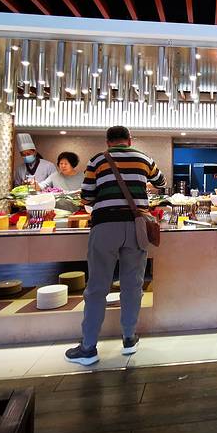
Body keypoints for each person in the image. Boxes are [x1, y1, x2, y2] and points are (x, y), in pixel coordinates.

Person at [65, 126, 166, 366]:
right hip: (136, 226)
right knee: (133, 285)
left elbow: (86, 196)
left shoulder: (97, 160)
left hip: (105, 226)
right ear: (129, 140)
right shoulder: (143, 158)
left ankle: (88, 347)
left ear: (108, 142)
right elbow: (161, 182)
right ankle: (129, 338)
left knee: (97, 287)